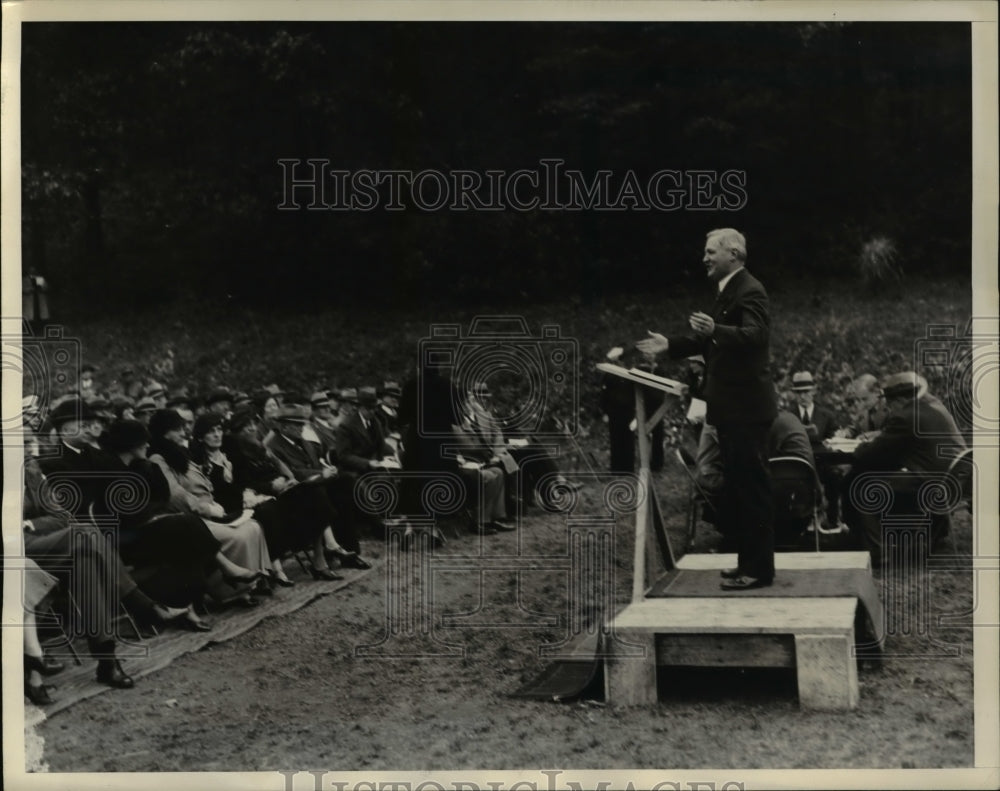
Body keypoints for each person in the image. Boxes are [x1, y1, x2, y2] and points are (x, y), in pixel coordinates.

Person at [638, 228, 776, 589]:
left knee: (751, 488)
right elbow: (706, 339)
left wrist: (716, 328)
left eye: (711, 251)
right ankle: (749, 562)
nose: (704, 257)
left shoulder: (750, 289)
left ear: (733, 254)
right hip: (731, 409)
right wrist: (669, 345)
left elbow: (756, 336)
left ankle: (758, 570)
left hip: (746, 409)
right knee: (739, 488)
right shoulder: (727, 291)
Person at [147, 409, 272, 606]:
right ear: (164, 432)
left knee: (253, 526)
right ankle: (229, 591)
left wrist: (213, 503)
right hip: (190, 517)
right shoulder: (158, 458)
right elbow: (174, 494)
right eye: (177, 429)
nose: (183, 432)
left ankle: (251, 583)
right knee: (237, 535)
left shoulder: (178, 453)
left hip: (207, 510)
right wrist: (206, 507)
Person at [843, 372, 966, 563]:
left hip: (932, 484)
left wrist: (860, 448)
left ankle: (877, 554)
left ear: (899, 400)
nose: (891, 409)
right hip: (957, 483)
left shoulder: (907, 416)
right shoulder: (934, 405)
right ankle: (919, 540)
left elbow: (871, 453)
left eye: (891, 404)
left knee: (863, 485)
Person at [264, 404, 371, 572]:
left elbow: (316, 462)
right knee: (322, 493)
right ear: (283, 426)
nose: (301, 428)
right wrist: (322, 473)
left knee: (346, 482)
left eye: (302, 424)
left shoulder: (304, 442)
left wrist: (327, 471)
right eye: (296, 425)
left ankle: (350, 550)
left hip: (316, 485)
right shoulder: (273, 446)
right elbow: (291, 472)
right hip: (295, 494)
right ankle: (333, 550)